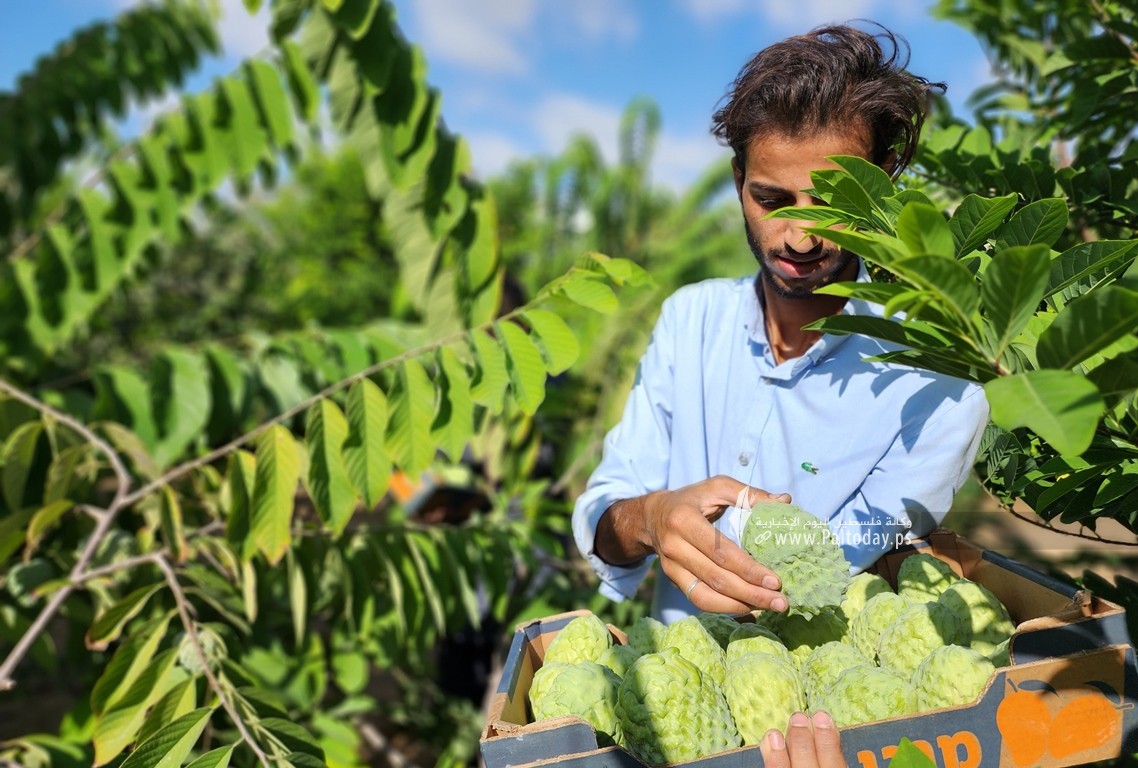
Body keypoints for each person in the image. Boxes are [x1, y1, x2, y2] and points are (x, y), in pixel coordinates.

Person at [571, 24, 990, 624]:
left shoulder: (935, 385)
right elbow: (605, 519)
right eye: (771, 200)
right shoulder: (691, 321)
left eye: (832, 203)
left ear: (886, 179)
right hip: (671, 690)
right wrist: (653, 518)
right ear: (739, 179)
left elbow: (840, 565)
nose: (799, 237)